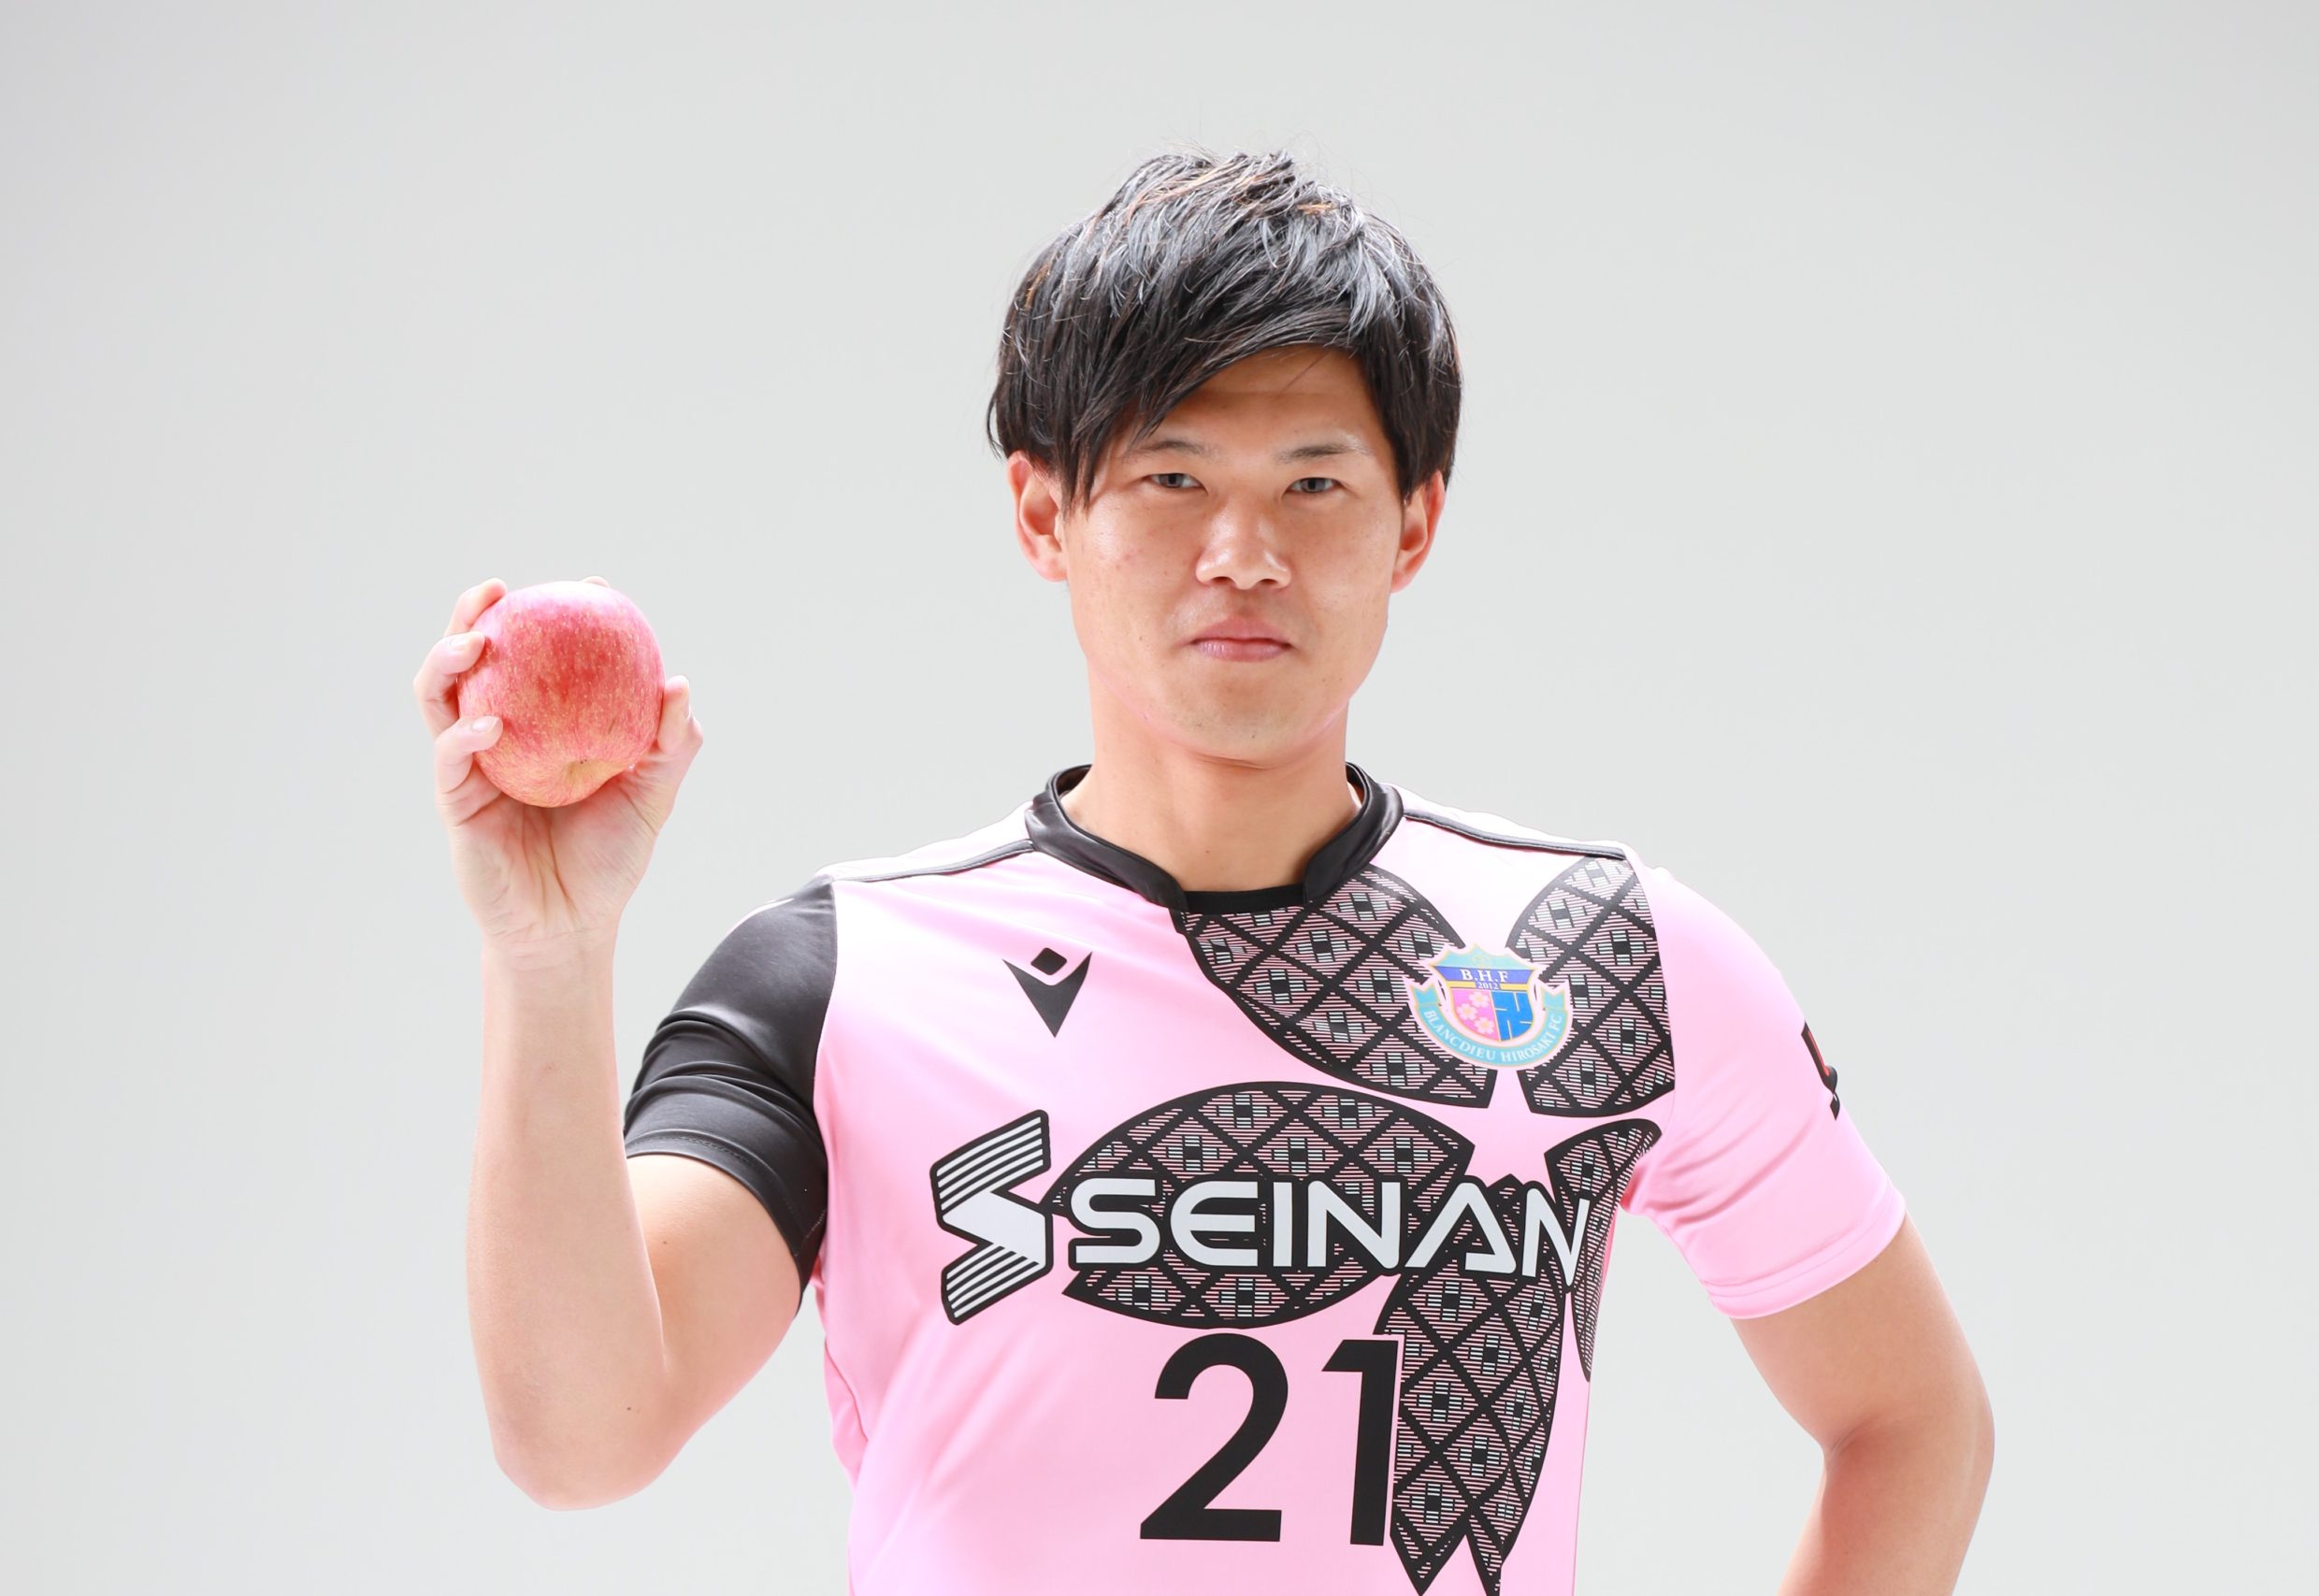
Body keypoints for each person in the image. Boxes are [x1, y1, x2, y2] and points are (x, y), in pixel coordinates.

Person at [417, 148, 1993, 1595]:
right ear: (1045, 511)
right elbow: (579, 1439)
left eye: (1314, 483)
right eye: (1172, 480)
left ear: (1414, 525)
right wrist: (548, 956)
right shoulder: (839, 976)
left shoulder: (1603, 953)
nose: (1244, 554)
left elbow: (1913, 1420)